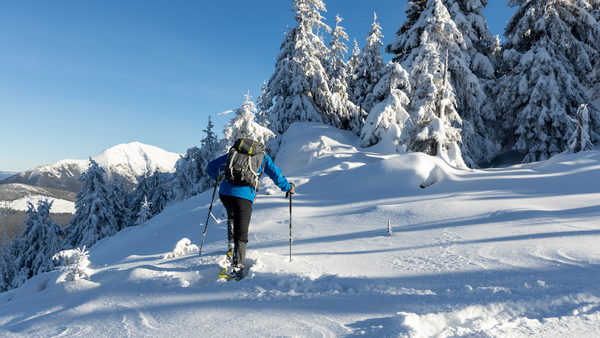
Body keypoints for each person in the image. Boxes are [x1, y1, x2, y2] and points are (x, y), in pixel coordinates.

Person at [207, 138, 295, 280]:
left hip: (225, 194)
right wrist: (288, 187)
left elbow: (211, 167)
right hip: (243, 196)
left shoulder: (234, 153)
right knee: (241, 232)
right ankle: (237, 268)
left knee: (232, 215)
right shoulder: (263, 157)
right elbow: (276, 174)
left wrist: (217, 176)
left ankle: (231, 247)